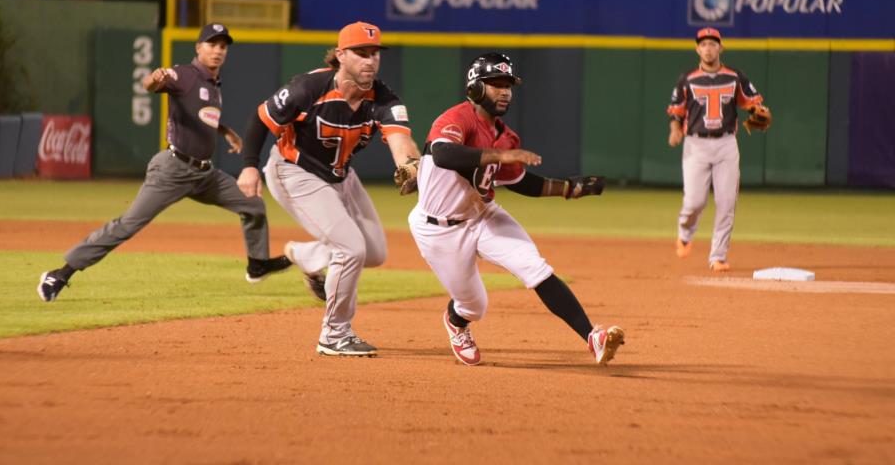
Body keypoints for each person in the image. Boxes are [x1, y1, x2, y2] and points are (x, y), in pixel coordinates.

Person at [37, 23, 292, 302]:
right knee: (128, 225)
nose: (218, 50)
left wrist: (226, 131)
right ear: (198, 48)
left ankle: (257, 265)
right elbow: (153, 83)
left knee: (253, 203)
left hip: (204, 175)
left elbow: (202, 114)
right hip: (173, 170)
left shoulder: (212, 83)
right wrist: (153, 78)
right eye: (212, 44)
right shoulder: (186, 74)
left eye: (223, 46)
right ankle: (60, 274)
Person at [407, 52, 624, 367]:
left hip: (483, 216)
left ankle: (593, 338)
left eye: (508, 84)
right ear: (476, 88)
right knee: (474, 306)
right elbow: (443, 155)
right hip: (437, 229)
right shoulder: (456, 118)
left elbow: (524, 183)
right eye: (496, 84)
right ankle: (457, 322)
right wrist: (496, 157)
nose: (505, 91)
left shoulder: (506, 137)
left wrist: (567, 189)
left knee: (535, 268)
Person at [237, 21, 421, 357]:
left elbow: (401, 140)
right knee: (351, 249)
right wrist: (249, 165)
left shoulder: (383, 99)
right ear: (340, 56)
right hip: (294, 171)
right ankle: (334, 334)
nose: (370, 61)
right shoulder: (308, 88)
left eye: (375, 53)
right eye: (361, 53)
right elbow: (260, 120)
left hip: (340, 177)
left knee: (375, 253)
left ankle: (307, 256)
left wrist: (409, 166)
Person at [666, 27, 770, 272]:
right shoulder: (687, 79)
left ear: (720, 48)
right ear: (697, 49)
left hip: (726, 144)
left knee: (726, 202)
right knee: (694, 202)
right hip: (696, 144)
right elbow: (676, 110)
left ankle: (718, 256)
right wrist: (674, 129)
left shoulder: (735, 77)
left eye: (713, 44)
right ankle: (684, 231)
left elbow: (754, 104)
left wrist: (758, 111)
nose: (708, 48)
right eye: (703, 44)